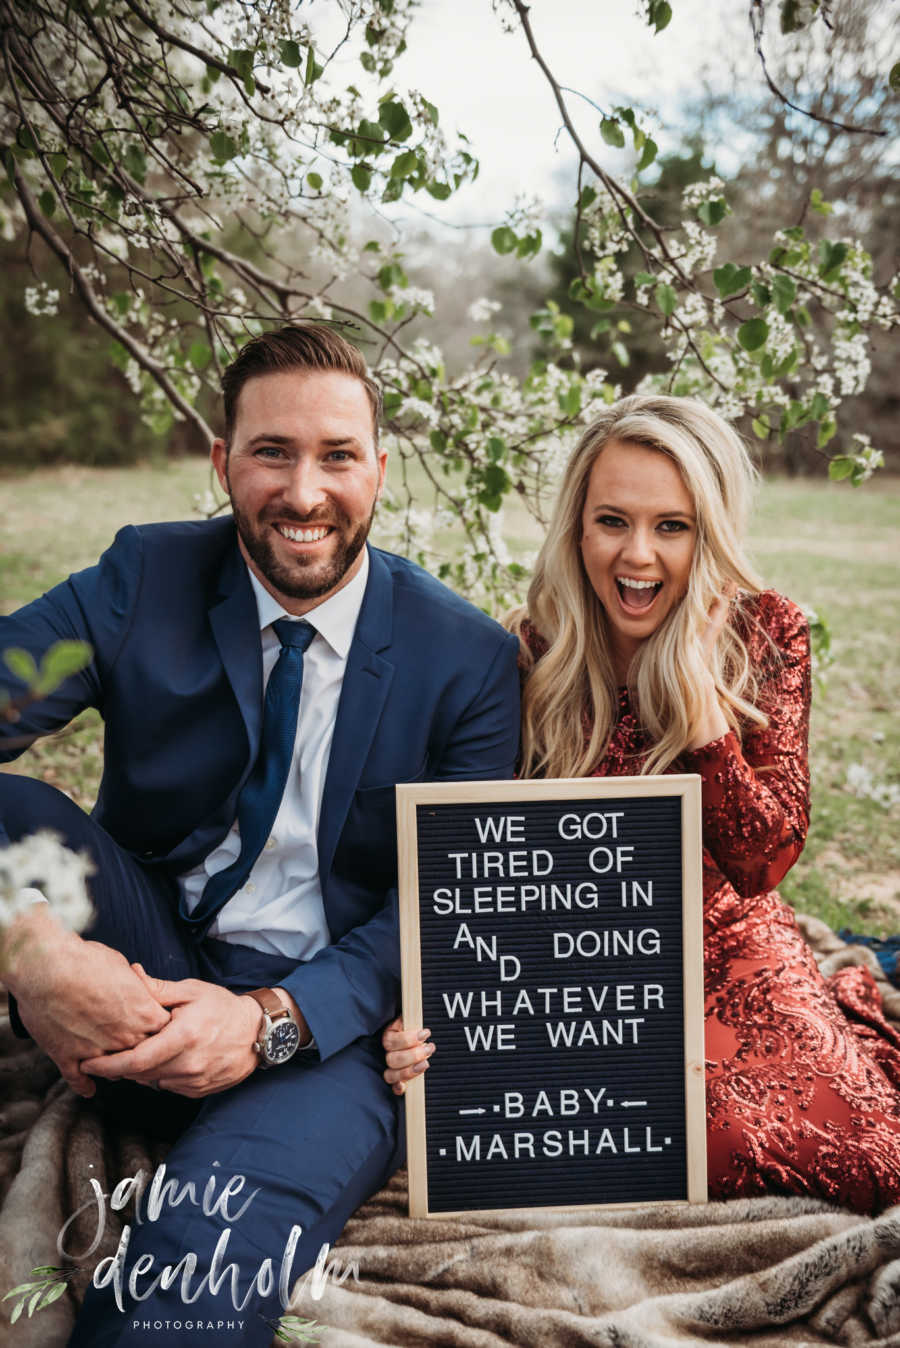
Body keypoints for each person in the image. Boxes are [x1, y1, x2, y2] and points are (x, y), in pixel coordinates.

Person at [0, 324, 521, 1345]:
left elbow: (442, 904)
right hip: (148, 942)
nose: (305, 491)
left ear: (379, 466)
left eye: (337, 456)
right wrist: (28, 946)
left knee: (194, 1258)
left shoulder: (466, 659)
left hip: (329, 1027)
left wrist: (267, 1021)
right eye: (272, 452)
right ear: (222, 461)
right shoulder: (145, 577)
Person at [383, 393, 900, 1214]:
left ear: (711, 531)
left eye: (673, 526)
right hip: (580, 969)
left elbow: (765, 861)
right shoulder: (527, 651)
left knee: (866, 1158)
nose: (639, 555)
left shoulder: (767, 633)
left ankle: (837, 1022)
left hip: (729, 941)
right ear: (577, 528)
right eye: (613, 521)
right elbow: (474, 862)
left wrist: (704, 723)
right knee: (527, 1142)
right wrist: (432, 1002)